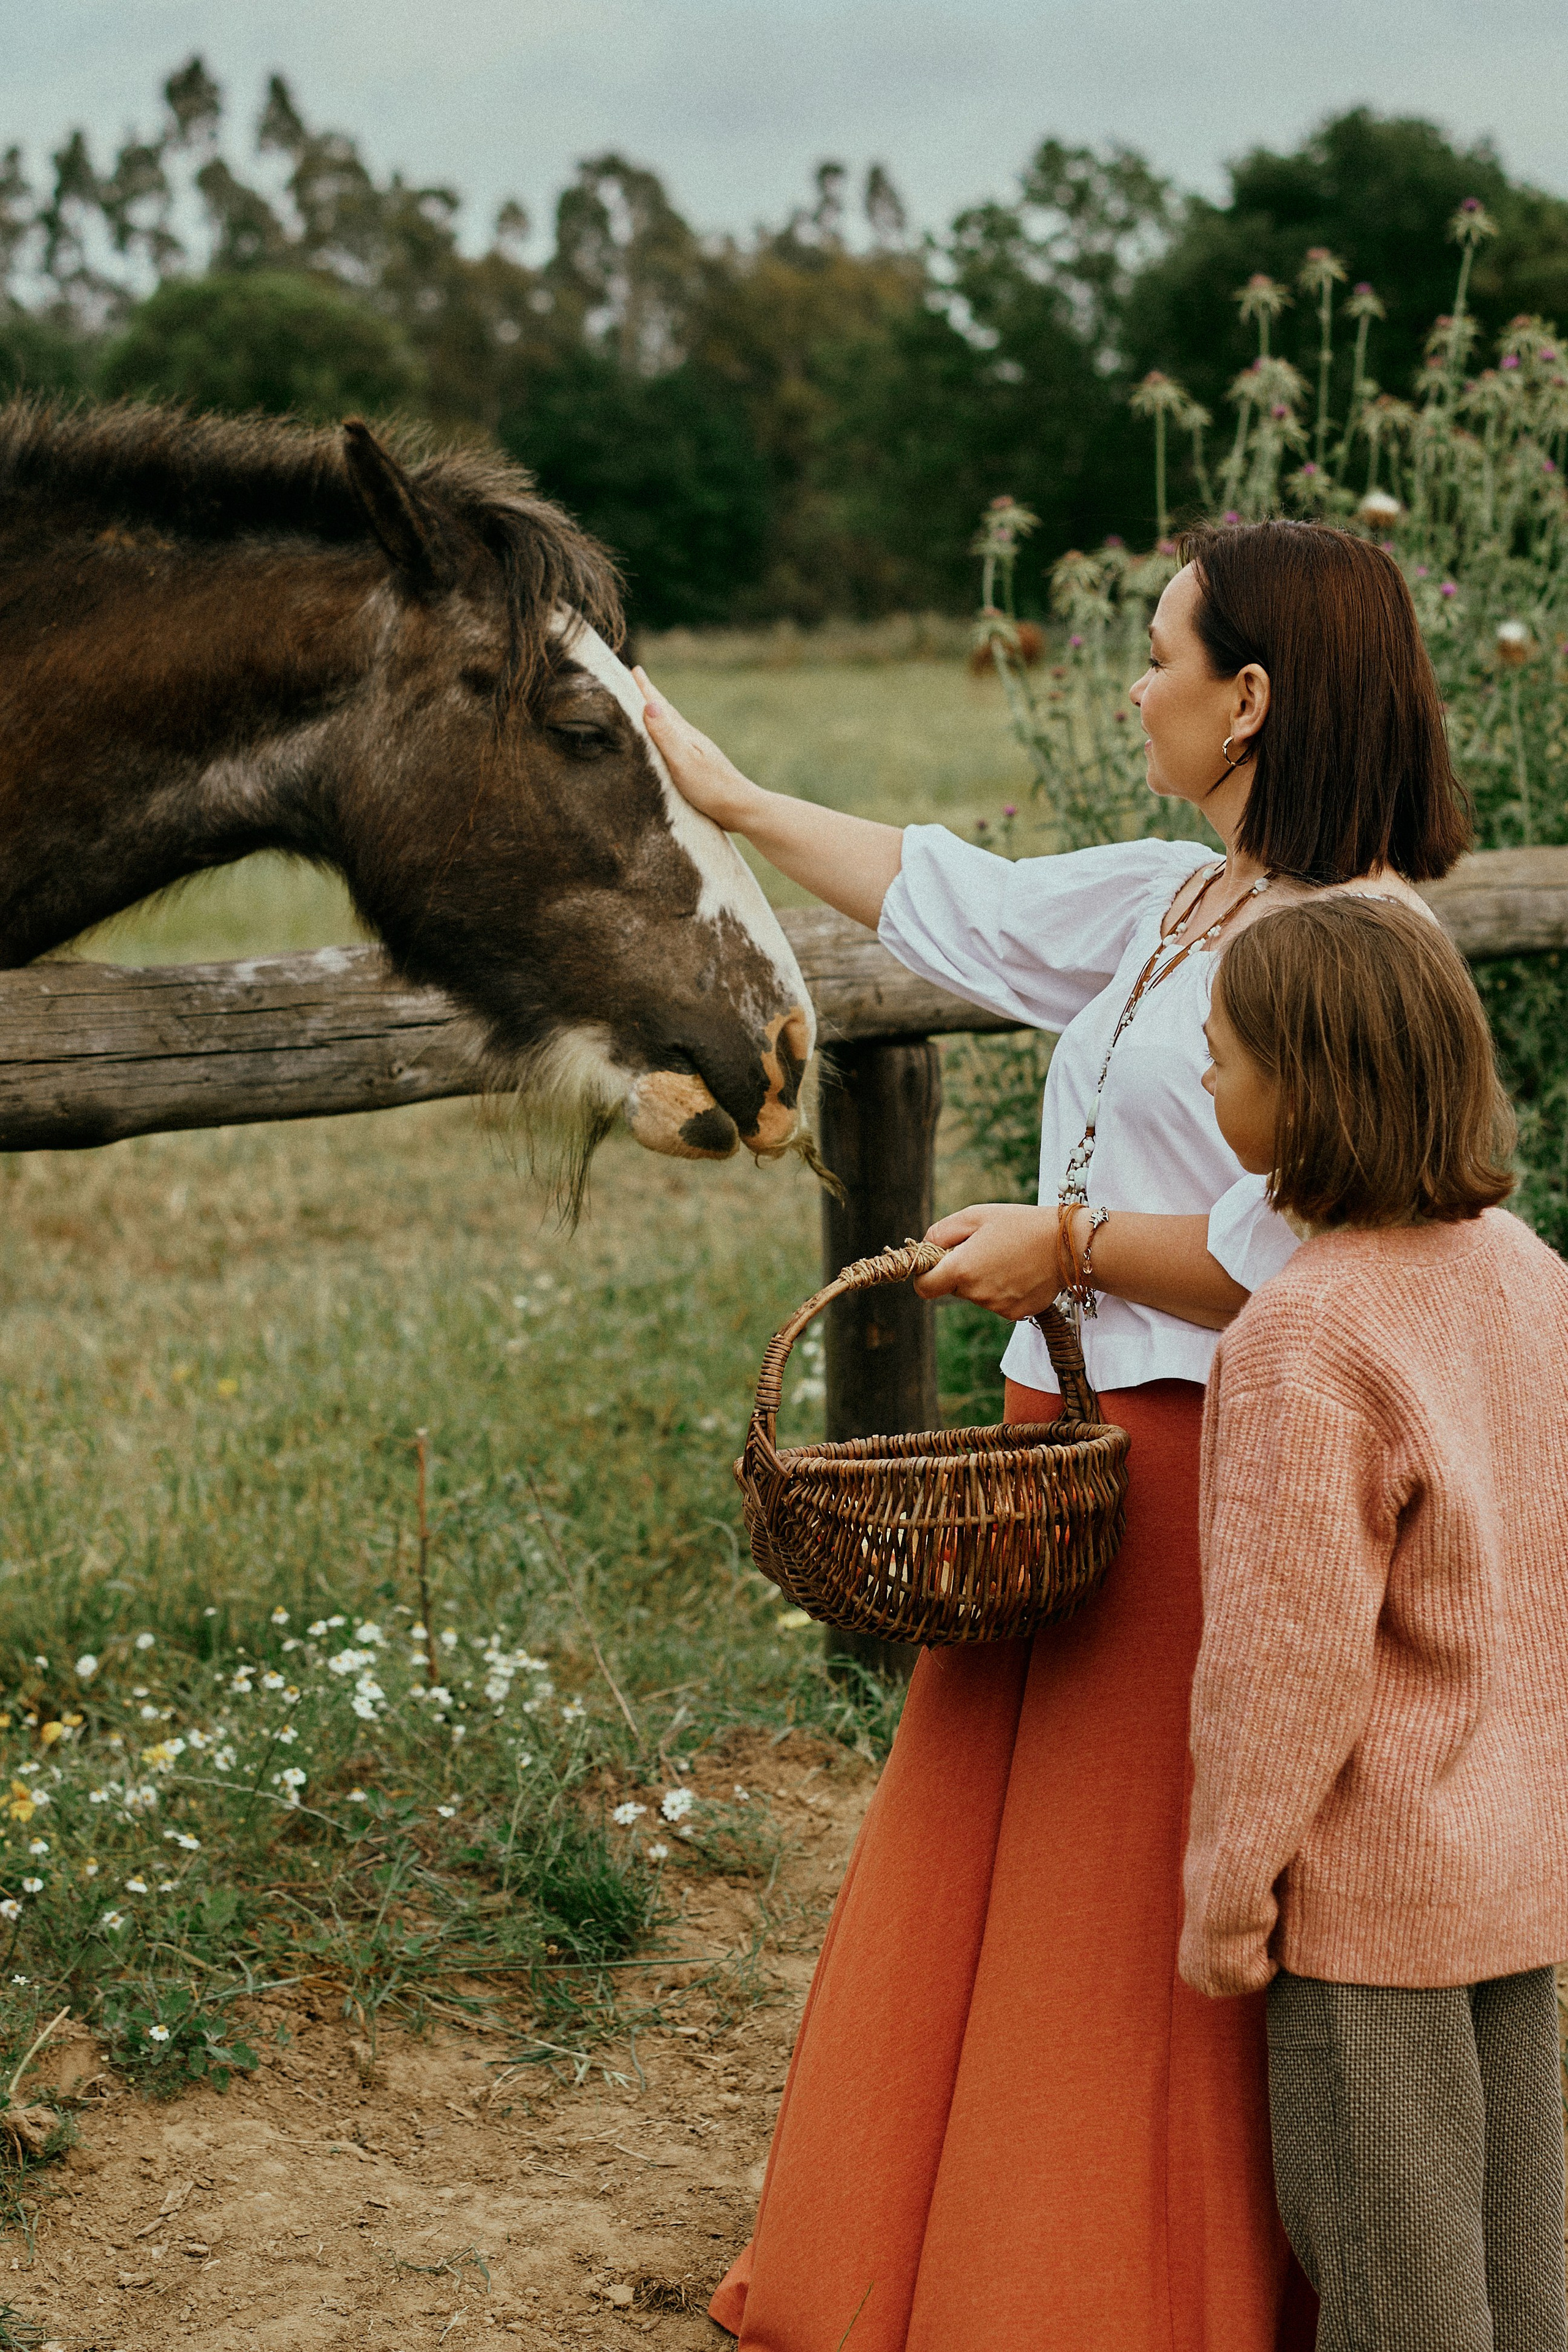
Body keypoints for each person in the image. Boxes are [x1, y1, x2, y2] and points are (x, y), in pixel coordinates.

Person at [636, 519, 1472, 2352]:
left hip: (1206, 1477)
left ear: (1249, 699)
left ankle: (1101, 2297)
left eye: (1161, 652)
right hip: (1065, 1456)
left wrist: (1068, 1247)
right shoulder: (1182, 899)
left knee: (1125, 1913)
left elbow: (1306, 1263)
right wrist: (734, 796)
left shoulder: (1360, 941)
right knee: (997, 1876)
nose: (1133, 681)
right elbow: (963, 901)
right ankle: (931, 2268)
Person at [1183, 894, 1568, 2352]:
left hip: (1374, 1906)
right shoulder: (1525, 1275)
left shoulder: (1303, 1336)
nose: (1204, 1078)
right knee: (1518, 2286)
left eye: (1221, 1055)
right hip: (1516, 1867)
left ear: (1306, 1082)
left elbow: (1282, 1666)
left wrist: (1227, 1893)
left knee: (1399, 2304)